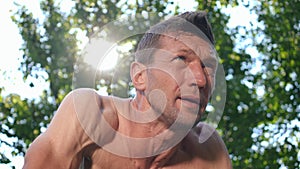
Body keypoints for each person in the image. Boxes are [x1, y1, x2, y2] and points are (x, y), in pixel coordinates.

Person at [23, 11, 232, 169]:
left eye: (208, 67)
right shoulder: (90, 114)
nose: (200, 80)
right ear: (140, 77)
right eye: (181, 59)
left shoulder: (209, 151)